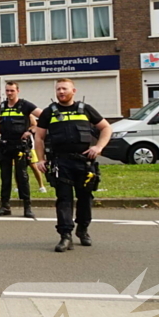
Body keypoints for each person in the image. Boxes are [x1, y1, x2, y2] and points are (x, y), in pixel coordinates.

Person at [33, 79, 112, 253]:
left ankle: (82, 230)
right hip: (61, 162)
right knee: (64, 199)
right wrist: (40, 159)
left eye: (64, 89)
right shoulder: (49, 112)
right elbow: (39, 137)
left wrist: (98, 147)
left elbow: (106, 128)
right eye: (58, 89)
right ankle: (65, 235)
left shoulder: (85, 109)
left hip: (84, 163)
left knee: (85, 198)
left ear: (73, 91)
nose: (61, 92)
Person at [0, 81, 43, 219]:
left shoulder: (25, 105)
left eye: (12, 91)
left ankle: (27, 207)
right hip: (5, 146)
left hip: (20, 146)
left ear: (17, 91)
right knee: (5, 177)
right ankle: (5, 206)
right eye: (7, 91)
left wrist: (30, 131)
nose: (9, 93)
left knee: (22, 177)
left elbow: (43, 117)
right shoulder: (2, 105)